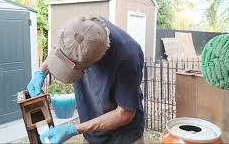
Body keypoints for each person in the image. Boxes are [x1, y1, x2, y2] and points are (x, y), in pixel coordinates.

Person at [27, 16, 144, 144]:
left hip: (123, 137)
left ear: (91, 64)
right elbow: (61, 50)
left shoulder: (127, 57)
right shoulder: (80, 26)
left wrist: (73, 129)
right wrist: (41, 71)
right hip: (92, 132)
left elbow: (125, 114)